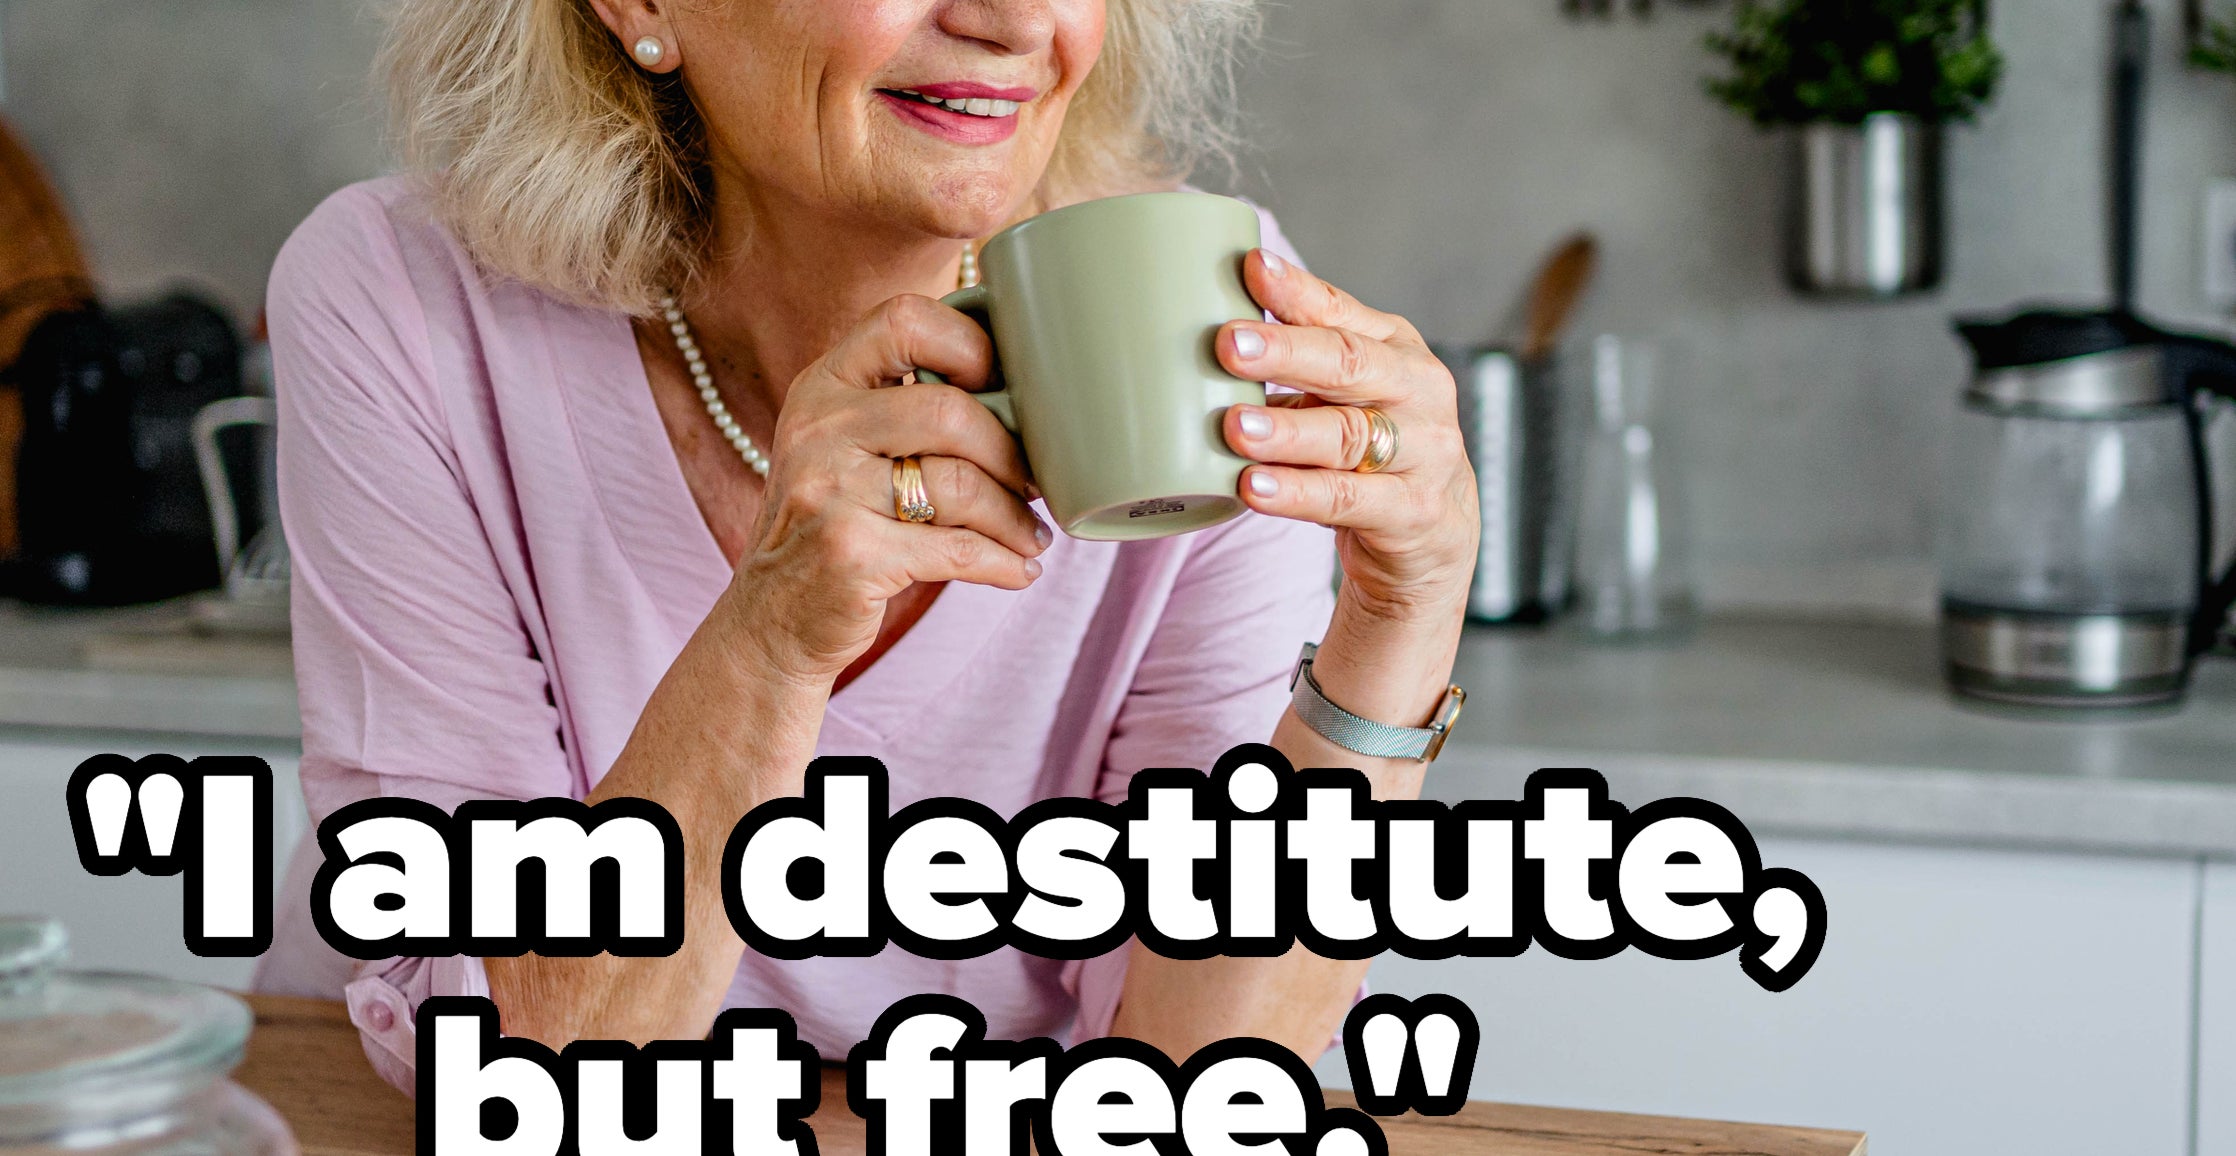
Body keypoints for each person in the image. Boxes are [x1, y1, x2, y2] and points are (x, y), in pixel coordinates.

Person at [253, 0, 1480, 1092]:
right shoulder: (405, 300)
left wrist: (1395, 631)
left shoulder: (1197, 304)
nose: (1011, 20)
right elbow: (511, 1063)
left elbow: (1201, 1070)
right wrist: (774, 635)